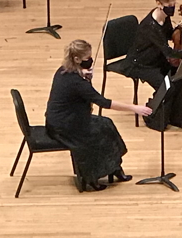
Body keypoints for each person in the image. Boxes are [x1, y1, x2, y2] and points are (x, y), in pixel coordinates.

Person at [45, 40, 152, 192]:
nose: (90, 60)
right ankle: (91, 177)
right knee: (96, 138)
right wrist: (134, 108)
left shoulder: (63, 69)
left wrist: (82, 73)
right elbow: (103, 102)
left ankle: (115, 168)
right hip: (63, 126)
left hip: (71, 118)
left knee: (106, 124)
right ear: (76, 59)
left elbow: (75, 80)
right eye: (86, 58)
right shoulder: (78, 84)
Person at [125, 0, 182, 130]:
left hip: (156, 58)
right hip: (141, 64)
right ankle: (151, 116)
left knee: (180, 77)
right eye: (169, 6)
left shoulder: (165, 18)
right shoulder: (150, 26)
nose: (172, 9)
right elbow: (168, 51)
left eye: (173, 5)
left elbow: (167, 35)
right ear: (159, 4)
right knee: (166, 88)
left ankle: (176, 118)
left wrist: (178, 30)